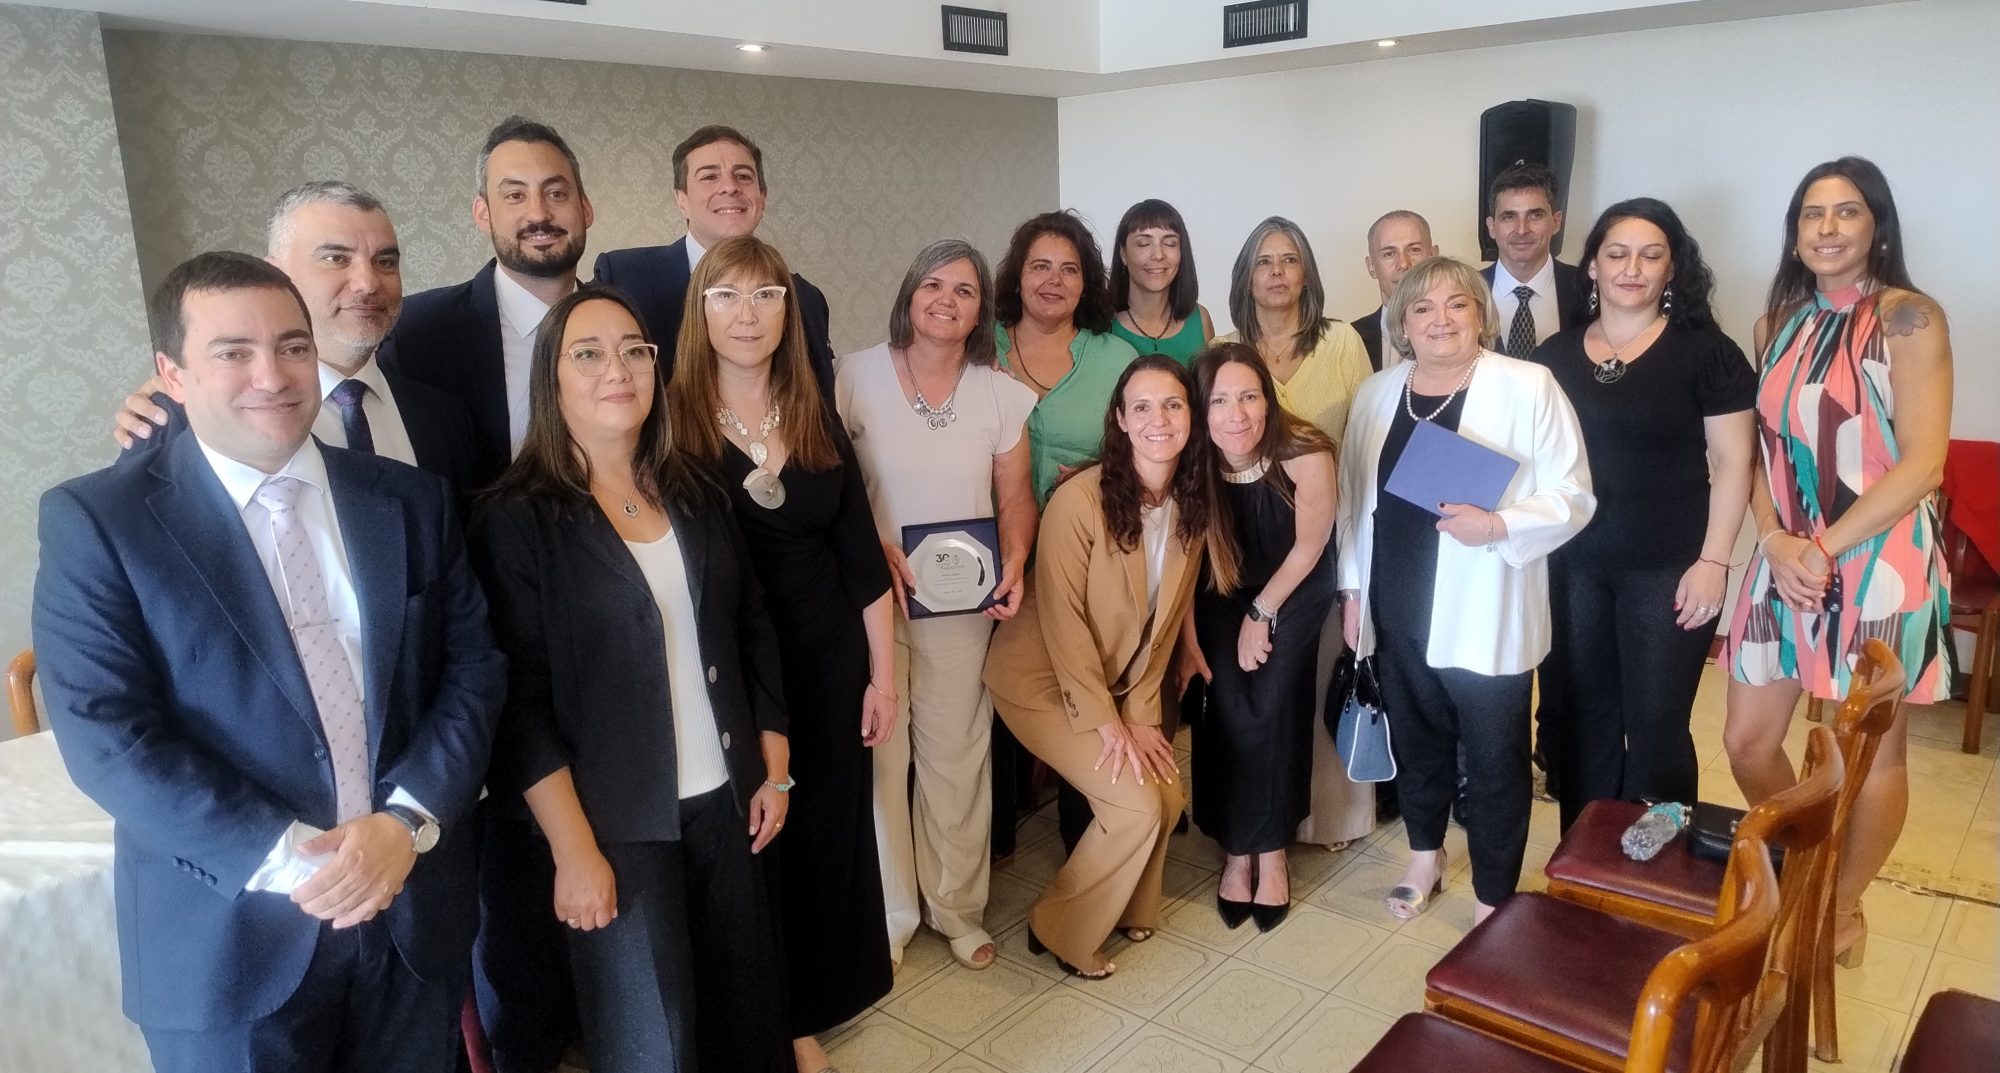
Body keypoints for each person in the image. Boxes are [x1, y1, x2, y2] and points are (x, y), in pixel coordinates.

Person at [36, 251, 506, 1073]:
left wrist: (406, 823)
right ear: (171, 374)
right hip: (229, 941)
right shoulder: (100, 520)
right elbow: (106, 731)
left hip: (409, 914)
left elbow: (472, 672)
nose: (273, 374)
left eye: (293, 346)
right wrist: (299, 862)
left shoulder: (408, 498)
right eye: (233, 351)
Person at [469, 286, 792, 1073]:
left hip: (727, 801)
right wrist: (574, 852)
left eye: (634, 350)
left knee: (746, 1014)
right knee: (656, 1039)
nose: (617, 368)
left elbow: (750, 622)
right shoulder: (516, 518)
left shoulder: (692, 489)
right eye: (588, 352)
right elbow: (521, 706)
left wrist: (773, 767)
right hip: (615, 827)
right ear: (551, 379)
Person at [661, 235, 898, 1068]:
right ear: (700, 312)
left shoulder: (809, 407)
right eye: (726, 296)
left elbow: (860, 555)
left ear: (788, 310)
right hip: (732, 668)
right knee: (757, 841)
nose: (747, 314)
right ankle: (777, 1012)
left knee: (827, 836)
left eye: (766, 295)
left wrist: (884, 676)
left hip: (830, 662)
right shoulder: (673, 420)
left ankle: (816, 999)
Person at [1722, 157, 1955, 970]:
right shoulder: (1773, 324)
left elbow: (1924, 463)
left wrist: (1824, 545)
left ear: (1877, 227)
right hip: (1786, 554)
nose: (1825, 228)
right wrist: (1778, 541)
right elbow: (1756, 452)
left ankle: (1840, 906)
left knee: (1870, 753)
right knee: (1748, 740)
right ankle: (1807, 857)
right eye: (1811, 214)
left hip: (1882, 556)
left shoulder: (1909, 317)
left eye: (1846, 212)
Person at [1336, 255, 1593, 926]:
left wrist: (1501, 521)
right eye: (1423, 308)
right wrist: (1353, 591)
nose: (1441, 319)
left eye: (1458, 304)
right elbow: (1351, 502)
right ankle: (1425, 853)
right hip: (1396, 603)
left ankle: (1493, 894)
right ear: (1402, 323)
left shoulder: (1528, 385)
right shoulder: (1377, 395)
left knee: (1494, 754)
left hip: (1486, 606)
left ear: (1483, 313)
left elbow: (1573, 493)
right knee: (1416, 739)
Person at [985, 354, 1236, 978]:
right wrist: (1109, 723)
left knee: (1168, 795)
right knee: (1134, 807)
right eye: (1143, 407)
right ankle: (1058, 925)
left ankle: (1129, 907)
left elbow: (1164, 623)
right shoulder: (1079, 499)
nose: (1159, 419)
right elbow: (1063, 625)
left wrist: (1145, 716)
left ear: (1192, 418)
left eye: (1173, 405)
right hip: (1039, 677)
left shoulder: (1190, 503)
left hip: (1113, 680)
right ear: (1120, 420)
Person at [834, 240, 1037, 978]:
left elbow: (1015, 496)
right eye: (933, 284)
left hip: (963, 609)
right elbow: (831, 483)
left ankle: (955, 907)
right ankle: (890, 911)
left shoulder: (1000, 392)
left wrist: (1014, 558)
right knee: (884, 758)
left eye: (966, 289)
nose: (947, 299)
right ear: (909, 292)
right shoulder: (851, 377)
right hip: (872, 604)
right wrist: (869, 543)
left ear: (983, 309)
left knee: (956, 756)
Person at [1529, 198, 1756, 832]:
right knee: (1579, 715)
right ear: (1592, 268)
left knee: (1656, 719)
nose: (1633, 268)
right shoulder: (1553, 357)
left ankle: (1661, 858)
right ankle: (1588, 848)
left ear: (1673, 269)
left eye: (1651, 255)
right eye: (1617, 254)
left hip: (1671, 566)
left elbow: (1734, 463)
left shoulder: (1708, 352)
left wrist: (1715, 562)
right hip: (1572, 566)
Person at [112, 182, 479, 489]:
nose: (368, 283)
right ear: (275, 275)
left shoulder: (443, 416)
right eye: (336, 258)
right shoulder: (177, 418)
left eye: (385, 262)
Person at [1217, 214, 1375, 851]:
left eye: (1288, 259)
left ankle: (1328, 819)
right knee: (1258, 689)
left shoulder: (1341, 343)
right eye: (1263, 261)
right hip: (1249, 540)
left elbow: (1364, 446)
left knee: (1318, 676)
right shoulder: (1226, 349)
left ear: (1306, 270)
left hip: (1327, 533)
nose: (1277, 272)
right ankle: (1258, 822)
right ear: (1246, 276)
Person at [990, 210, 1141, 856]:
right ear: (1016, 275)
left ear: (1089, 282)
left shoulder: (1116, 355)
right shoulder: (980, 344)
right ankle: (996, 837)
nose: (1053, 281)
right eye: (1040, 266)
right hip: (993, 554)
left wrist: (1104, 468)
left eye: (1069, 269)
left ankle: (1089, 828)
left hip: (1090, 555)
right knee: (994, 689)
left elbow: (1152, 444)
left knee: (1089, 683)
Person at [1187, 342, 1339, 931]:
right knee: (1227, 702)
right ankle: (1235, 849)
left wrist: (1263, 613)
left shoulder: (1305, 450)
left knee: (1273, 702)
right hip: (1221, 592)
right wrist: (1185, 638)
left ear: (1268, 398)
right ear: (1201, 410)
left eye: (1249, 395)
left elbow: (1310, 545)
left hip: (1294, 588)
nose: (1237, 413)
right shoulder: (1195, 459)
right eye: (1220, 400)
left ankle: (1271, 851)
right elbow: (1182, 558)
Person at [384, 115, 594, 492]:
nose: (539, 214)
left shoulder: (631, 326)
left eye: (556, 193)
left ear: (586, 208)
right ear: (483, 214)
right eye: (515, 195)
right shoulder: (417, 334)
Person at [592, 124, 836, 396]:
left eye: (743, 176)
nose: (730, 187)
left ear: (762, 198)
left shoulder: (805, 298)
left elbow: (821, 405)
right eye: (709, 177)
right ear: (681, 200)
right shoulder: (623, 277)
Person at [1480, 163, 1592, 359]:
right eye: (1508, 217)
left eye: (1535, 215)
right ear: (1491, 227)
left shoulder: (1588, 287)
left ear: (1556, 222)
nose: (1522, 230)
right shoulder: (1465, 289)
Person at [1107, 199, 1216, 364]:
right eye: (1143, 243)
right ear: (1123, 254)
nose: (1158, 254)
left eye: (1170, 243)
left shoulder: (1200, 319)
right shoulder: (1101, 325)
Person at [1351, 210, 1439, 372]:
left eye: (1414, 250)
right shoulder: (1350, 339)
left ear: (1434, 256)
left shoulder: (1462, 331)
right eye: (1389, 253)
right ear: (1371, 266)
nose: (1404, 264)